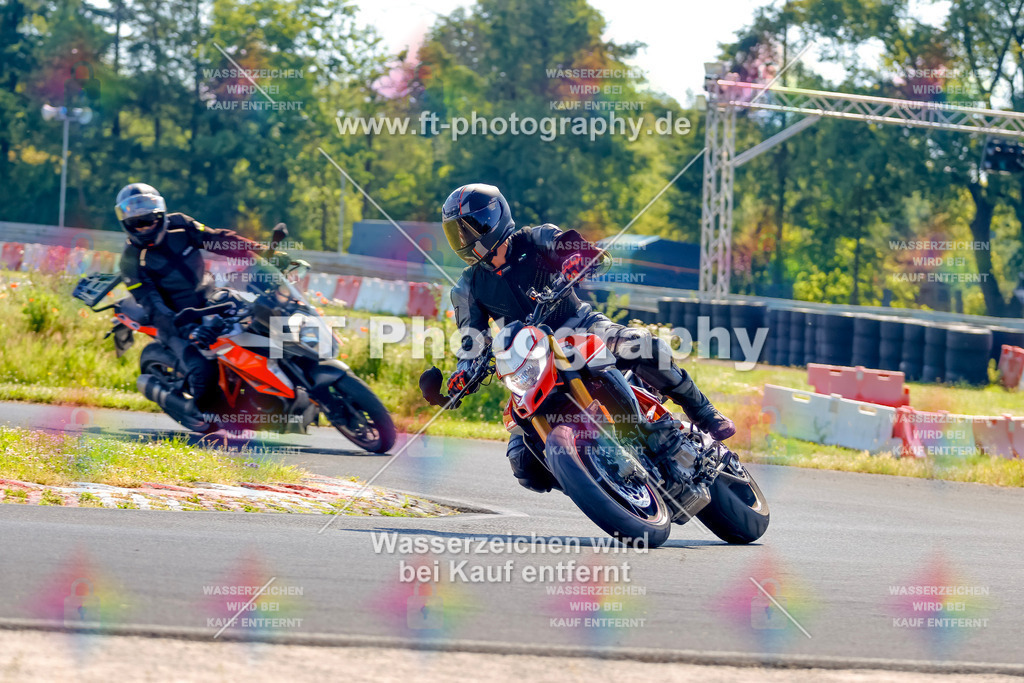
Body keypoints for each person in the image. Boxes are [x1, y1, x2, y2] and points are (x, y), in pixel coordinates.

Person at [437, 183, 735, 493]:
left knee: (642, 345)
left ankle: (703, 412)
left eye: (470, 227)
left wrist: (579, 256)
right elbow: (471, 340)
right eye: (457, 233)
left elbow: (573, 246)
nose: (465, 239)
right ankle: (597, 484)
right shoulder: (467, 287)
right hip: (532, 359)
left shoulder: (535, 239)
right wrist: (463, 372)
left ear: (494, 217)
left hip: (581, 327)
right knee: (523, 463)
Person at [115, 183, 264, 421]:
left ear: (160, 213)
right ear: (126, 224)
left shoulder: (181, 225)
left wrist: (263, 253)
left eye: (149, 219)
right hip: (176, 319)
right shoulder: (130, 260)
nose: (144, 226)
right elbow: (153, 307)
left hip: (209, 298)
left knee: (258, 322)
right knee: (203, 368)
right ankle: (203, 414)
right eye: (137, 222)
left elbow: (218, 240)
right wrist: (189, 330)